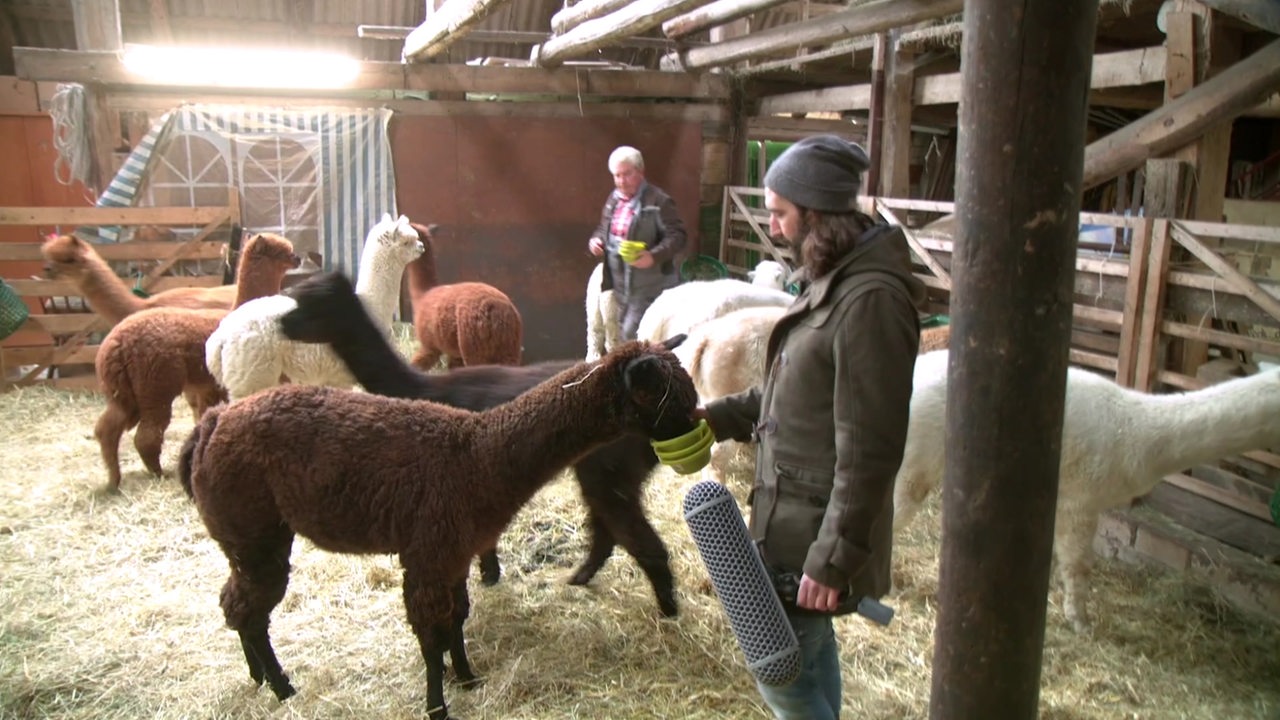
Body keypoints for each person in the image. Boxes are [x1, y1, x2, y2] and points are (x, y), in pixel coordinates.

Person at [697, 135, 926, 720]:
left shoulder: (869, 300)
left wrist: (833, 557)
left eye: (779, 212)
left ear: (815, 213)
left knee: (782, 673)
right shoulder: (834, 281)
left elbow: (871, 449)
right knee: (808, 652)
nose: (772, 228)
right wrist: (717, 416)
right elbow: (795, 394)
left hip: (813, 532)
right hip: (790, 518)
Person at [587, 145, 687, 341]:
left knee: (631, 337)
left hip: (651, 287)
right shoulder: (613, 200)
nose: (621, 181)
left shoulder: (658, 201)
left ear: (640, 172)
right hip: (620, 287)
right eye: (616, 176)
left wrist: (653, 256)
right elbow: (603, 229)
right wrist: (596, 240)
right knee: (621, 336)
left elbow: (678, 236)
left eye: (627, 174)